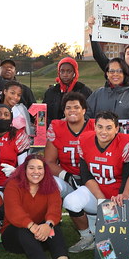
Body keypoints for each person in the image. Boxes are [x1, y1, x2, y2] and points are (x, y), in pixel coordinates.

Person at [64, 111, 129, 252]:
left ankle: (98, 228)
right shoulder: (85, 139)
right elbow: (85, 176)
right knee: (70, 201)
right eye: (100, 127)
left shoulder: (126, 142)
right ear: (95, 127)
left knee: (118, 245)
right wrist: (102, 200)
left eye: (109, 128)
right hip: (97, 193)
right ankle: (86, 237)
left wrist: (118, 199)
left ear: (117, 129)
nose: (103, 132)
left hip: (120, 196)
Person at [3, 156, 70, 259]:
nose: (36, 172)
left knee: (55, 228)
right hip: (15, 237)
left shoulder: (51, 185)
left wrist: (48, 225)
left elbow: (55, 208)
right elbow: (14, 211)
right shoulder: (13, 185)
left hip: (40, 235)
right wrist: (32, 226)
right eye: (31, 168)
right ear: (24, 170)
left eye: (40, 168)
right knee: (23, 230)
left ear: (45, 170)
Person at [44, 92, 94, 245]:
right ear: (64, 111)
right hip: (67, 178)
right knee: (48, 186)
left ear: (84, 110)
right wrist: (66, 176)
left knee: (98, 229)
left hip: (92, 181)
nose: (72, 110)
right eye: (68, 108)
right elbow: (49, 162)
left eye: (76, 107)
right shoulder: (57, 127)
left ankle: (90, 227)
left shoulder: (95, 126)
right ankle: (48, 226)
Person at [42, 57, 92, 122]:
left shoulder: (83, 90)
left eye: (69, 71)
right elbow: (44, 112)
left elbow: (89, 113)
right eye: (62, 71)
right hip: (54, 128)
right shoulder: (51, 91)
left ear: (75, 72)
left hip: (76, 129)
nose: (65, 75)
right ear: (58, 72)